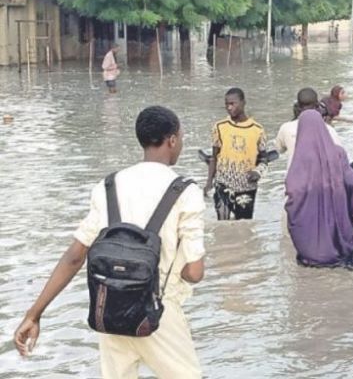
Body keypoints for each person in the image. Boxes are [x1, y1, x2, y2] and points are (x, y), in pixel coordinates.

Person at [14, 106, 206, 378]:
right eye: (181, 138)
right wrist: (179, 269)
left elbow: (74, 256)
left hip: (110, 311)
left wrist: (34, 314)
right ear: (172, 140)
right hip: (159, 313)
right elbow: (195, 272)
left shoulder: (109, 186)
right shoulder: (186, 192)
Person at [285, 110, 353, 268]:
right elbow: (352, 182)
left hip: (307, 243)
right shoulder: (338, 153)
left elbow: (293, 190)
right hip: (339, 234)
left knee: (310, 279)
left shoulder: (299, 157)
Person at [205, 88, 268, 220]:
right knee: (222, 225)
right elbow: (214, 157)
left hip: (246, 187)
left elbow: (264, 159)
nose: (229, 107)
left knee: (244, 226)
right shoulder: (219, 127)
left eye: (233, 104)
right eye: (227, 104)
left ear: (243, 103)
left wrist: (258, 172)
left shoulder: (258, 130)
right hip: (223, 185)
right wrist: (209, 183)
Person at [276, 87, 341, 169]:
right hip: (320, 179)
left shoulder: (286, 128)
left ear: (297, 106)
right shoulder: (329, 130)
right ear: (318, 107)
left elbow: (279, 150)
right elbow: (339, 155)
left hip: (293, 178)